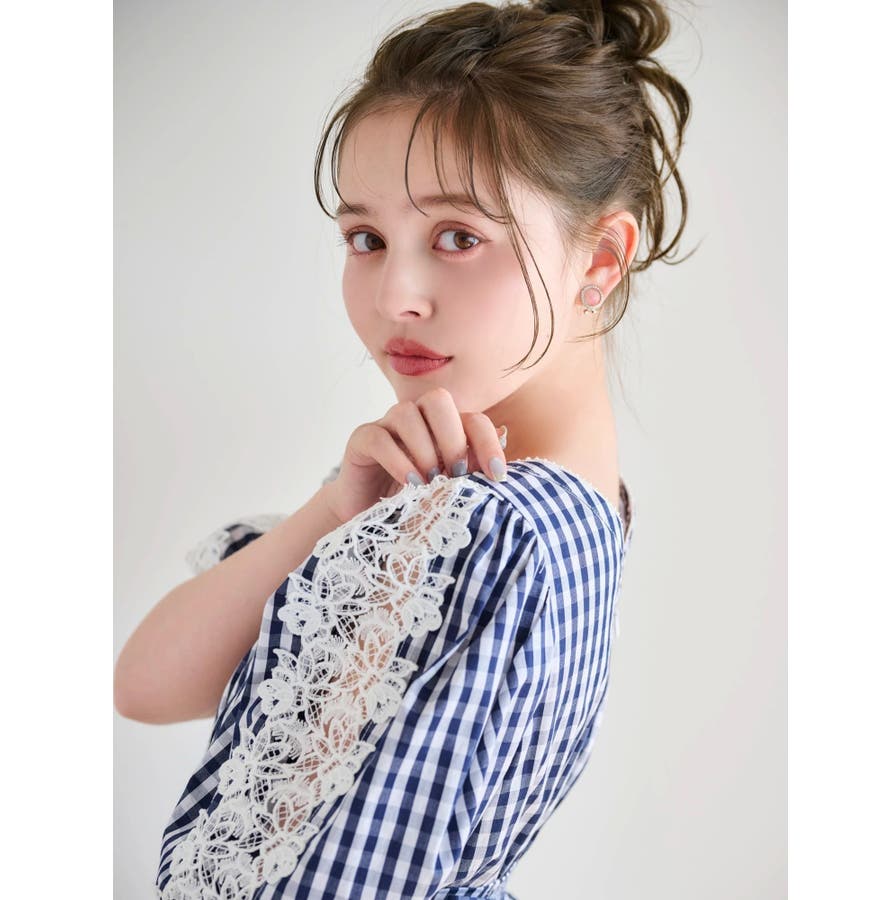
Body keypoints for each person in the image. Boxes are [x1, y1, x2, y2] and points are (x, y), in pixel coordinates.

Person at [115, 0, 694, 896]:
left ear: (599, 260)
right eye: (367, 239)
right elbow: (145, 686)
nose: (396, 298)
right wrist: (333, 509)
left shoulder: (492, 525)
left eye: (459, 237)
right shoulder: (489, 495)